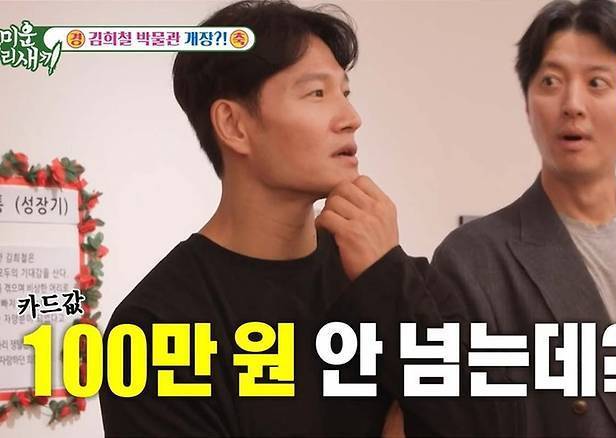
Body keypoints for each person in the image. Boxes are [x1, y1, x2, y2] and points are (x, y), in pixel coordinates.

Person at [98, 1, 402, 436]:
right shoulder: (154, 329)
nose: (351, 119)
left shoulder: (377, 273)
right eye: (317, 93)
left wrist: (390, 281)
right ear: (234, 126)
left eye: (345, 93)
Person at [426, 0, 616, 436]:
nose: (572, 104)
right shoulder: (472, 260)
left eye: (597, 82)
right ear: (528, 104)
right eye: (551, 81)